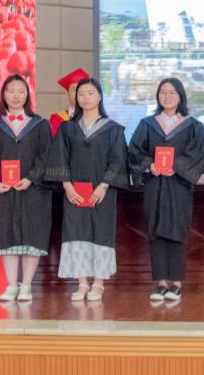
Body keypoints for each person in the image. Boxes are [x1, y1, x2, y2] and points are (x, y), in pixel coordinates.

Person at [46, 77, 129, 302]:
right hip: (74, 191)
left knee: (101, 233)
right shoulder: (67, 127)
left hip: (103, 192)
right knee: (76, 233)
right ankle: (82, 283)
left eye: (91, 93)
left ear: (100, 96)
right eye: (81, 94)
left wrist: (103, 186)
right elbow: (59, 157)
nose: (85, 98)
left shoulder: (113, 129)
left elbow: (118, 160)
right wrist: (67, 185)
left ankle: (99, 283)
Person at [128, 78, 204, 302]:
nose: (167, 96)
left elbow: (196, 155)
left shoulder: (193, 126)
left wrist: (176, 166)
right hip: (155, 184)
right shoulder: (147, 124)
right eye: (163, 92)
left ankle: (176, 283)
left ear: (180, 96)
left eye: (172, 92)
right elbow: (135, 151)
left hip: (179, 185)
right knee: (155, 230)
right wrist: (149, 165)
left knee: (177, 230)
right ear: (157, 96)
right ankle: (161, 282)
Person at [0, 74, 53, 302]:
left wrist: (31, 178)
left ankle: (26, 285)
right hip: (3, 192)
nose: (16, 96)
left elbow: (45, 157)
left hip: (33, 190)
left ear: (27, 94)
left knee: (31, 238)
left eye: (21, 91)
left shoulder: (40, 124)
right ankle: (11, 285)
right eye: (11, 91)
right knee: (7, 237)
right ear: (4, 95)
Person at [50, 68, 89, 136]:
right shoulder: (57, 119)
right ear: (68, 94)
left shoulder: (97, 119)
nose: (78, 93)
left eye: (81, 89)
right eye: (74, 89)